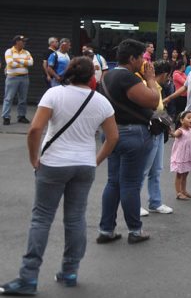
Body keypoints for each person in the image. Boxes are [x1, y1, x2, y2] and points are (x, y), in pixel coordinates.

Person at [0, 57, 118, 295]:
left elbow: (34, 129)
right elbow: (113, 137)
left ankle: (28, 277)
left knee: (42, 218)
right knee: (75, 219)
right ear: (92, 77)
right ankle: (70, 271)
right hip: (84, 165)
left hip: (54, 163)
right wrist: (94, 160)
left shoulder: (54, 94)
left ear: (69, 73)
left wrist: (34, 158)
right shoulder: (102, 102)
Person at [98, 39, 160, 245]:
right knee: (130, 184)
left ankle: (106, 229)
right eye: (141, 57)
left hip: (111, 132)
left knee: (113, 181)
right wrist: (151, 79)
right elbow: (153, 102)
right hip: (132, 134)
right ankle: (135, 230)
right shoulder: (127, 77)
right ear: (132, 58)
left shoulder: (107, 77)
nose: (143, 61)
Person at [138, 61, 174, 217]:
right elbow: (154, 108)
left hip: (158, 131)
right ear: (165, 75)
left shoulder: (157, 88)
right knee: (143, 169)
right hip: (149, 131)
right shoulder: (146, 86)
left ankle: (155, 202)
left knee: (156, 169)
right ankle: (135, 203)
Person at [164, 51, 191, 155]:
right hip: (189, 106)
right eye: (190, 57)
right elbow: (184, 87)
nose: (190, 59)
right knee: (190, 129)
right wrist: (169, 98)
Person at [3, 35, 33, 126]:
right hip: (12, 77)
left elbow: (31, 63)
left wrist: (17, 60)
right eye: (23, 41)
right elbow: (10, 63)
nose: (24, 43)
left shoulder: (26, 52)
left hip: (24, 77)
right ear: (17, 42)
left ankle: (21, 116)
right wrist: (24, 62)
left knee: (23, 98)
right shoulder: (9, 51)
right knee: (8, 98)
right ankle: (6, 117)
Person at [170, 111, 191, 199]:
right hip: (181, 156)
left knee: (186, 173)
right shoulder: (180, 131)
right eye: (188, 117)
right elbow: (175, 135)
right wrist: (171, 132)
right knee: (179, 174)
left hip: (188, 156)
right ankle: (178, 193)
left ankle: (184, 191)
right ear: (181, 120)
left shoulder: (190, 129)